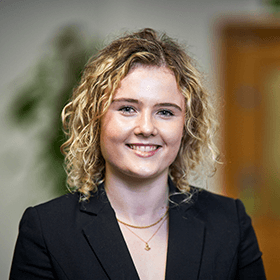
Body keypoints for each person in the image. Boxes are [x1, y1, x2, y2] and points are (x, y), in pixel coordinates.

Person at [9, 28, 266, 280]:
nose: (146, 128)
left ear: (187, 126)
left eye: (165, 112)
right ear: (95, 120)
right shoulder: (46, 228)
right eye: (127, 109)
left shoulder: (229, 221)